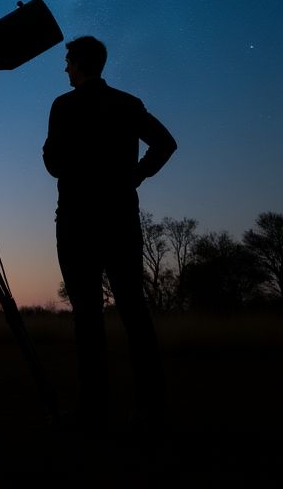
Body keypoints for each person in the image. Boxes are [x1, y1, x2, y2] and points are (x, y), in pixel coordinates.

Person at [42, 35, 176, 427]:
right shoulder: (127, 104)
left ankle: (94, 409)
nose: (65, 68)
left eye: (68, 62)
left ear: (80, 63)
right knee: (134, 310)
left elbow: (52, 161)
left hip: (77, 221)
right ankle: (151, 406)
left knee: (87, 316)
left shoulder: (63, 106)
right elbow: (165, 143)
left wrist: (64, 163)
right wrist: (136, 174)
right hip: (119, 217)